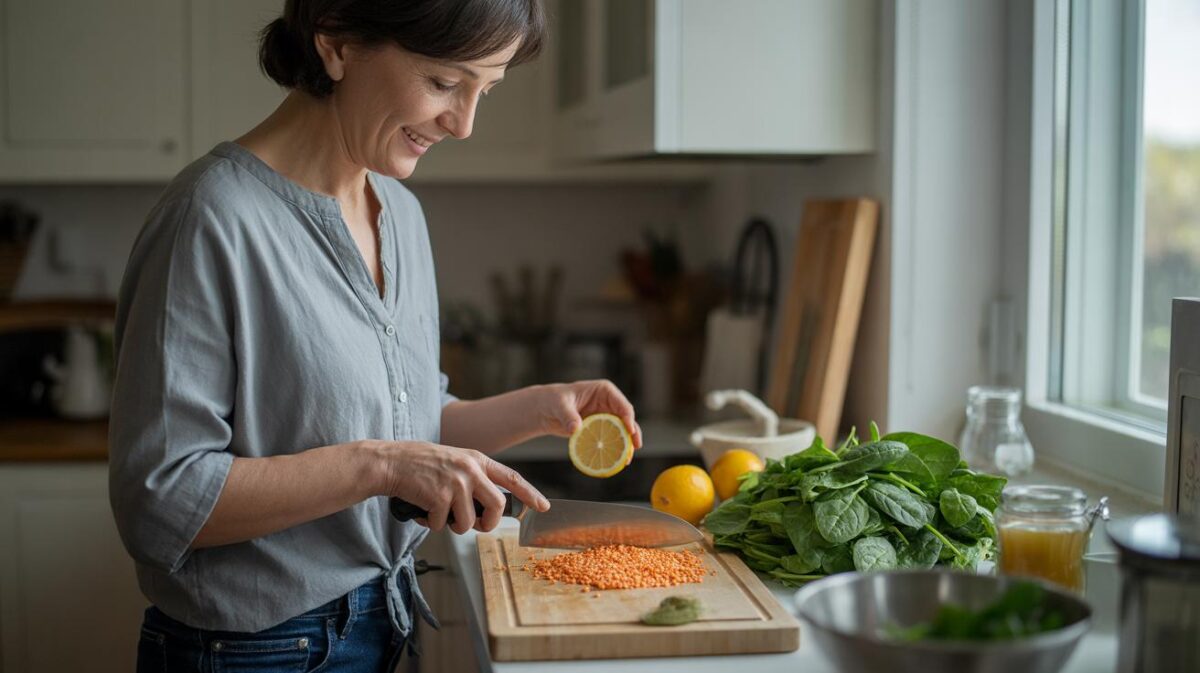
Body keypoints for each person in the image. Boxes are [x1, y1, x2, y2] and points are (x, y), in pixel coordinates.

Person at [108, 1, 643, 671]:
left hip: (380, 625)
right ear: (336, 44)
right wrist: (382, 468)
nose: (465, 123)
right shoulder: (211, 219)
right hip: (253, 650)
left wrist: (541, 408)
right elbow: (160, 501)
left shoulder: (401, 213)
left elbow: (410, 423)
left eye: (486, 91)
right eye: (445, 83)